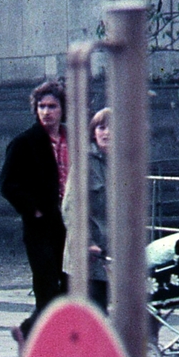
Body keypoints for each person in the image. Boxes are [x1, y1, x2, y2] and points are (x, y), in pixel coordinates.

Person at [1, 80, 70, 348]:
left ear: (63, 109)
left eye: (52, 106)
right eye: (41, 106)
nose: (46, 112)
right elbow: (7, 184)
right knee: (46, 287)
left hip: (70, 224)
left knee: (67, 287)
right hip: (41, 226)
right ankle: (46, 344)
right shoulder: (24, 143)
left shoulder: (72, 139)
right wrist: (34, 209)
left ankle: (29, 330)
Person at [62, 107, 111, 310]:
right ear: (93, 131)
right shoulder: (85, 164)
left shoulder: (125, 164)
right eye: (101, 127)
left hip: (112, 254)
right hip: (89, 254)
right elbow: (70, 207)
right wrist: (87, 241)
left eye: (112, 128)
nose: (106, 132)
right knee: (92, 314)